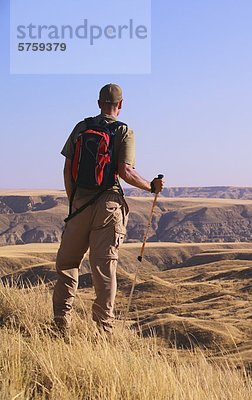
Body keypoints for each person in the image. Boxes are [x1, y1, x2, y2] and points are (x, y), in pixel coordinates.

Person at [53, 83, 164, 334]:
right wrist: (150, 187)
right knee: (103, 269)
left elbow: (67, 169)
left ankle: (61, 324)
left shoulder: (81, 128)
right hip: (108, 205)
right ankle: (103, 331)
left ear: (98, 103)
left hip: (80, 203)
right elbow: (126, 172)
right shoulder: (124, 131)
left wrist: (75, 203)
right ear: (121, 105)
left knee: (68, 265)